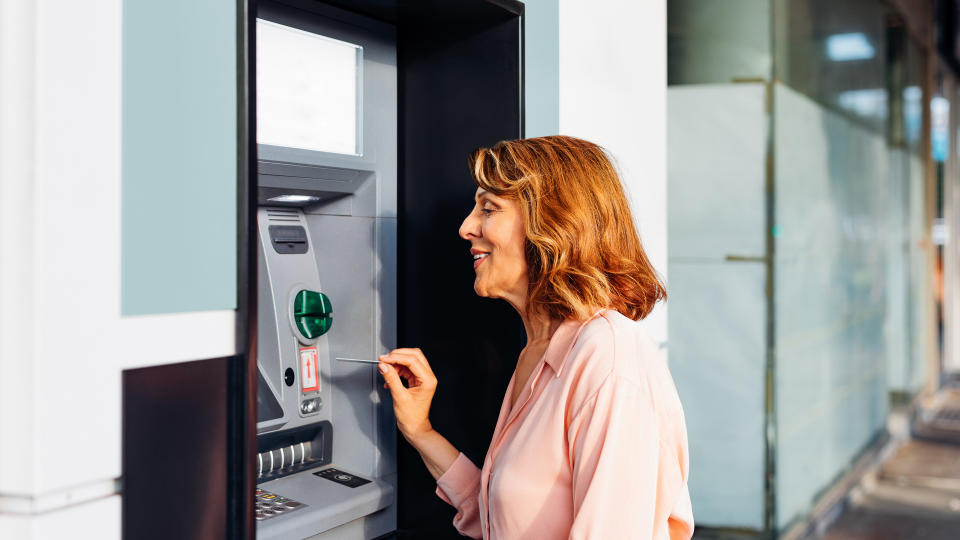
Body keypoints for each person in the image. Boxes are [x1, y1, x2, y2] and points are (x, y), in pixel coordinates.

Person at [377, 135, 694, 539]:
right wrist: (420, 430)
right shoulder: (541, 351)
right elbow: (505, 517)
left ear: (555, 225)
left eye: (488, 208)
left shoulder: (609, 358)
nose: (466, 227)